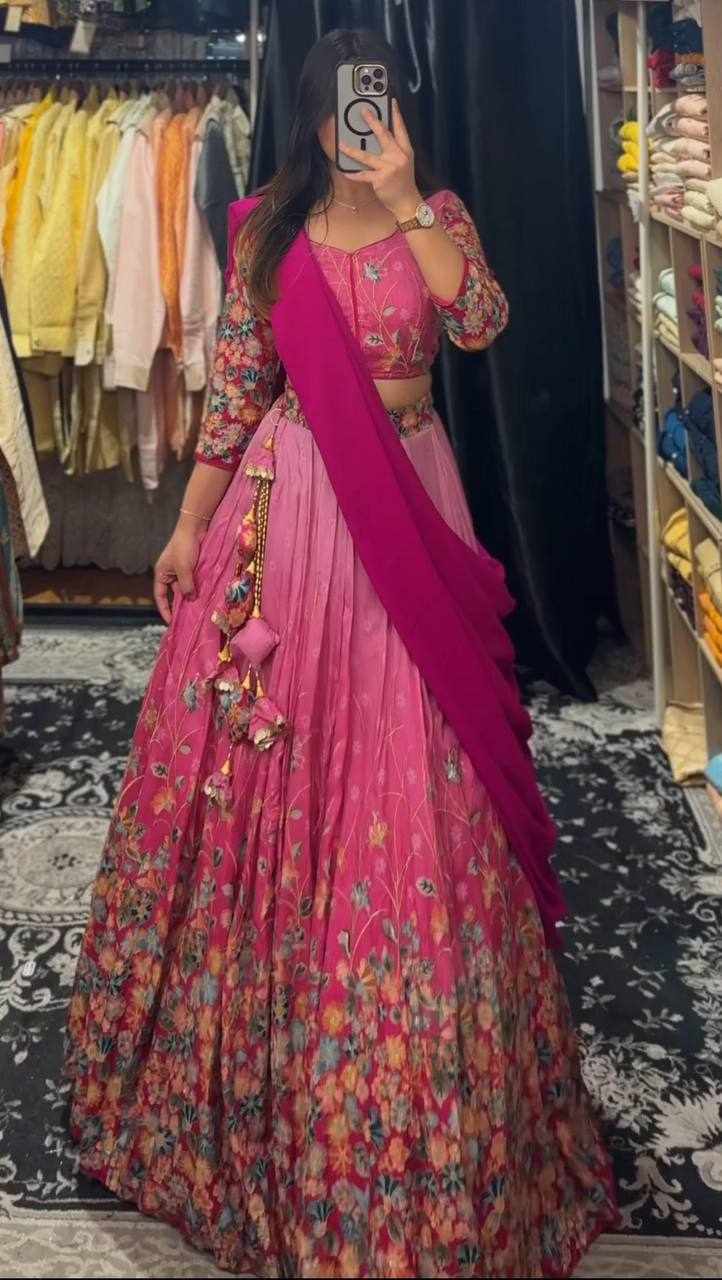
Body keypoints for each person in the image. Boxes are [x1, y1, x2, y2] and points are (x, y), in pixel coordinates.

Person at [64, 28, 619, 1280]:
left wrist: (412, 198)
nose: (355, 125)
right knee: (278, 767)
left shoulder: (437, 217)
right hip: (296, 505)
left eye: (377, 103)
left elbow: (479, 322)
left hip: (411, 501)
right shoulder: (267, 233)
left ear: (397, 110)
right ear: (309, 116)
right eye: (338, 109)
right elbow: (234, 391)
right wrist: (186, 526)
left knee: (422, 767)